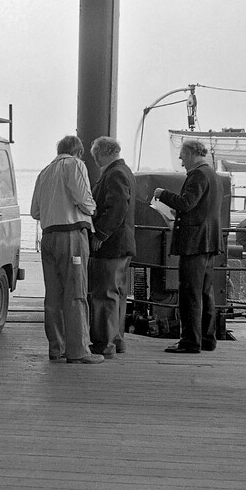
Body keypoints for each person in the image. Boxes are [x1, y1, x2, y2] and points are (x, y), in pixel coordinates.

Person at [30, 135, 102, 364]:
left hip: (48, 236)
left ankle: (57, 348)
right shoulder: (74, 164)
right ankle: (79, 351)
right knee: (76, 293)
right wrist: (93, 208)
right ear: (78, 152)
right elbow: (82, 197)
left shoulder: (44, 172)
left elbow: (35, 212)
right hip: (71, 236)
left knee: (53, 296)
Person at [153, 139, 224, 354]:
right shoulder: (213, 175)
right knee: (205, 292)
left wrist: (161, 194)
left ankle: (190, 342)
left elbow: (186, 203)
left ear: (192, 154)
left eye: (182, 156)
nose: (181, 161)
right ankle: (207, 338)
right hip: (208, 241)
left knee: (189, 293)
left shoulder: (198, 175)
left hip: (194, 242)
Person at [88, 136, 136, 359]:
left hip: (111, 246)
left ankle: (104, 343)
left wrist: (100, 234)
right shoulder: (125, 171)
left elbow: (116, 207)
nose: (94, 157)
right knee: (117, 293)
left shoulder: (114, 173)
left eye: (95, 153)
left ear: (104, 152)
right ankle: (117, 339)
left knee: (104, 293)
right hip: (123, 245)